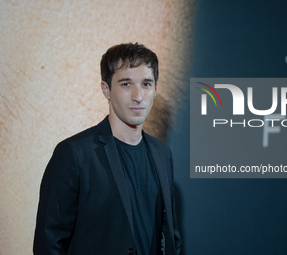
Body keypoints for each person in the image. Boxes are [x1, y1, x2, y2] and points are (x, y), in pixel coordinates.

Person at [33, 43, 181, 255]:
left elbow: (170, 236)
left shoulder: (162, 153)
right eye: (126, 84)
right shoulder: (74, 154)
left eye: (146, 84)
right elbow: (49, 244)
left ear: (155, 90)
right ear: (106, 90)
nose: (138, 96)